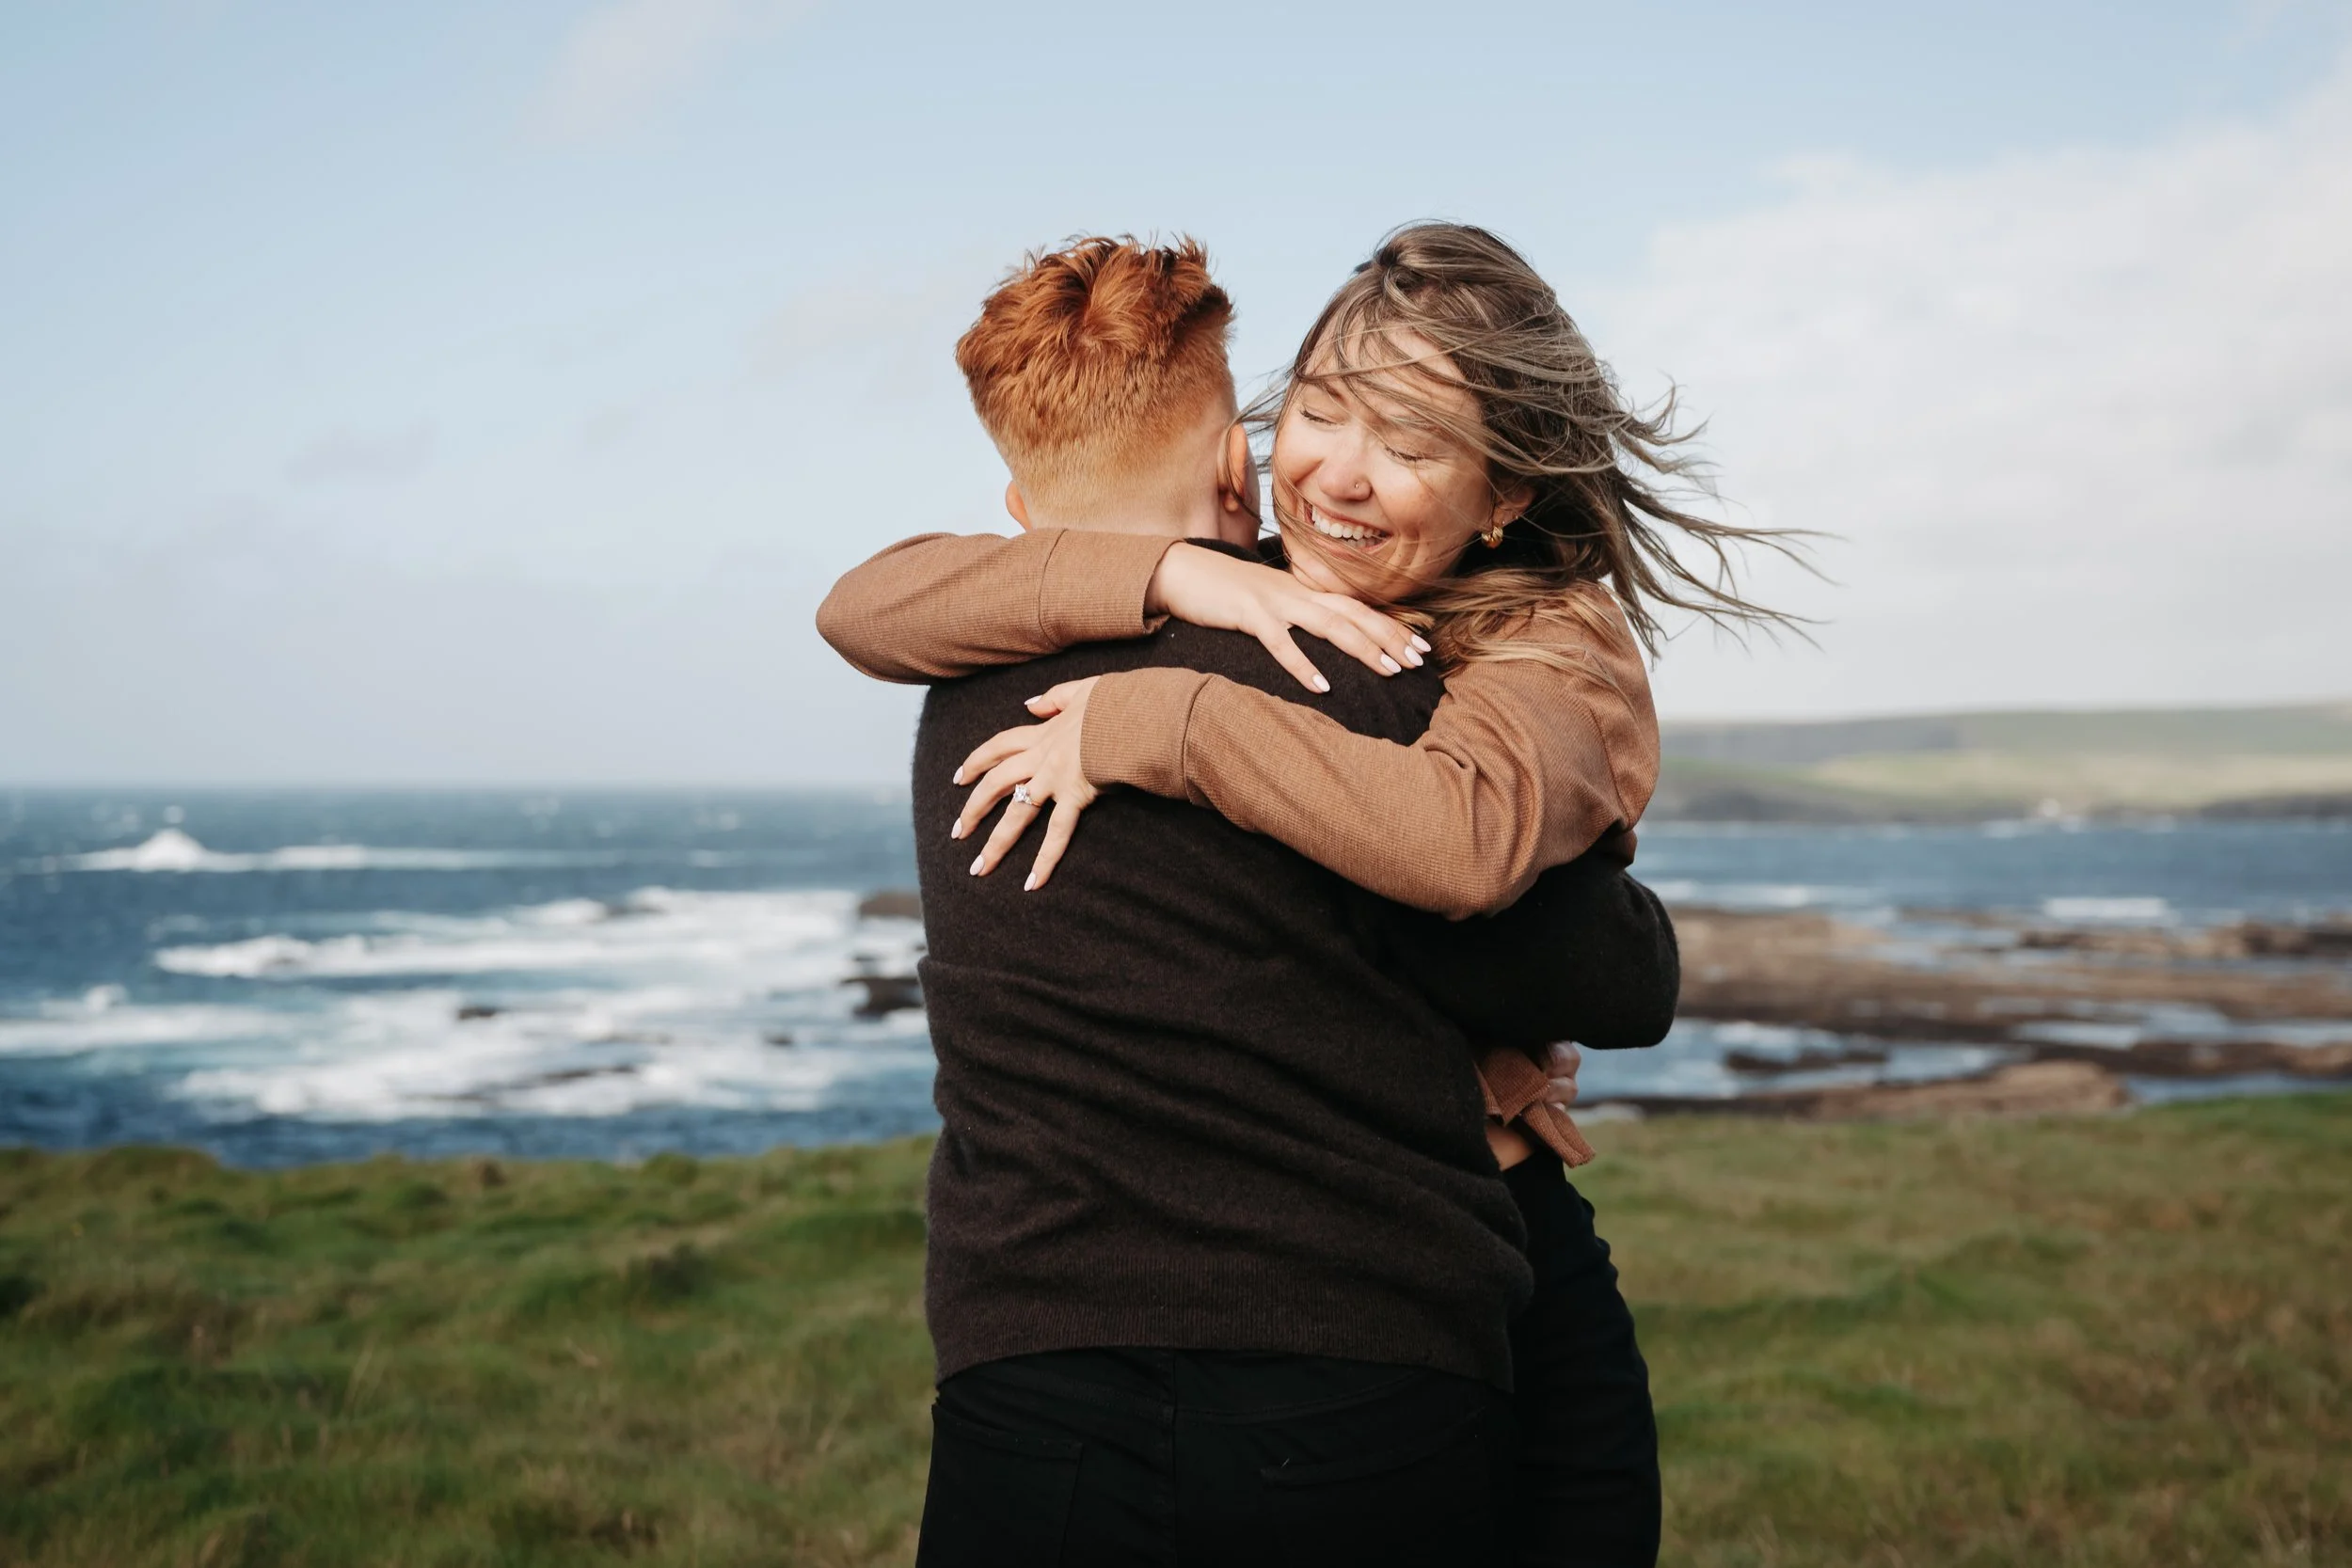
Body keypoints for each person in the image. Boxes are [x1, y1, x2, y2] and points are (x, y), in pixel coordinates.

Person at [826, 224, 1801, 1565]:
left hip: (1496, 1232)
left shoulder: (1551, 638)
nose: (1338, 473)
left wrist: (1168, 719)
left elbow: (1481, 859)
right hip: (1364, 1305)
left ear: (1502, 494)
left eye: (1409, 444)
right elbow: (866, 601)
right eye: (1323, 411)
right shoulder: (1261, 588)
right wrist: (1170, 569)